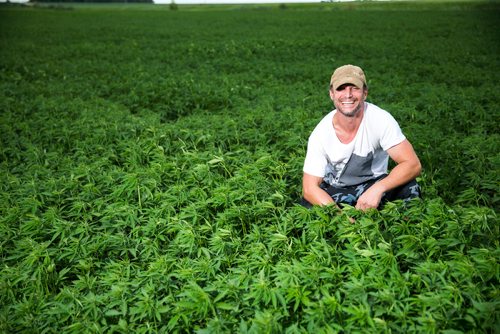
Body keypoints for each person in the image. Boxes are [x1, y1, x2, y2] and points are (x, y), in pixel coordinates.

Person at [301, 64, 421, 211]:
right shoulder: (321, 134)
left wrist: (378, 189)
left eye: (354, 88)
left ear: (365, 93)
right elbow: (309, 188)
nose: (348, 94)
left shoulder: (381, 120)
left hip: (374, 184)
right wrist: (339, 218)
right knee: (309, 205)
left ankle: (397, 227)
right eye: (341, 88)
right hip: (336, 190)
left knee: (409, 187)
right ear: (331, 94)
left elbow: (412, 164)